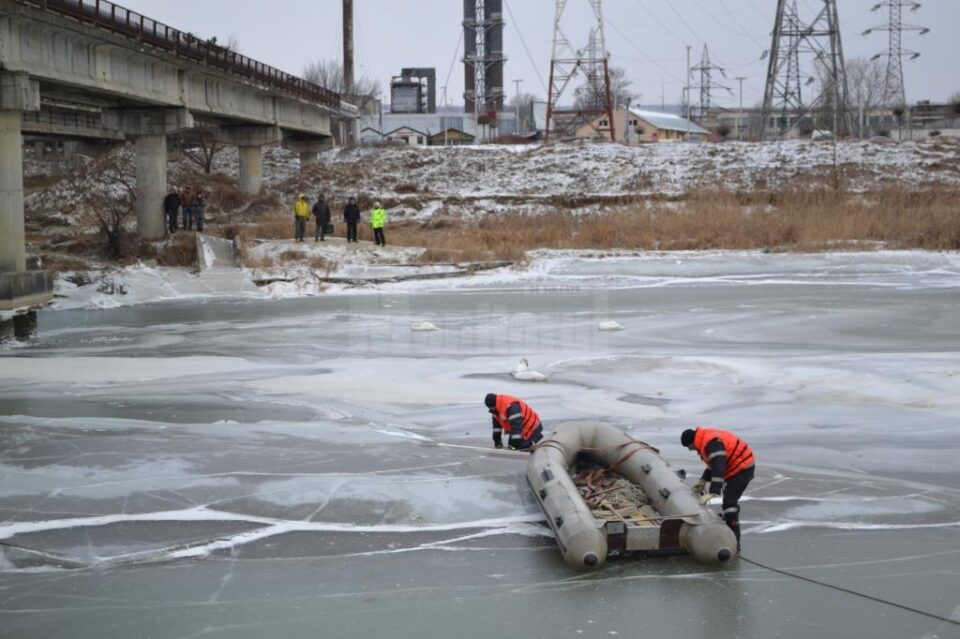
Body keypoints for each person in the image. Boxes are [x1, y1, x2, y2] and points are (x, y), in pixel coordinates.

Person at [681, 427, 755, 549]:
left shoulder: (711, 444)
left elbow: (718, 467)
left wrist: (713, 492)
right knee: (729, 502)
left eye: (689, 447)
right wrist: (703, 480)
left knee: (729, 504)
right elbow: (713, 464)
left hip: (742, 468)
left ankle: (735, 541)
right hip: (736, 467)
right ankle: (731, 521)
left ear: (693, 441)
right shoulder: (705, 440)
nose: (690, 450)